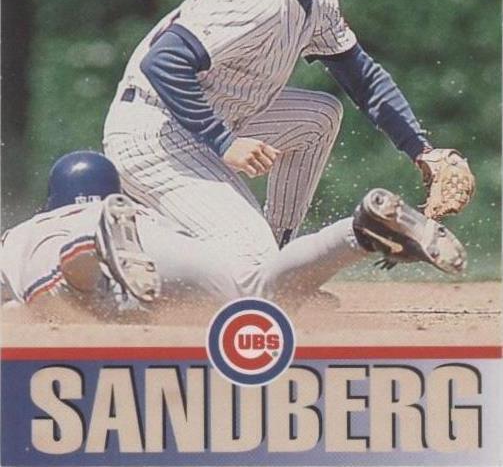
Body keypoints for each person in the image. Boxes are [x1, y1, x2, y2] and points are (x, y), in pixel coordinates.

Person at [102, 0, 473, 296]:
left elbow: (364, 79)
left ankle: (283, 261)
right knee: (249, 273)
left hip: (204, 118)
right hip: (154, 132)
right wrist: (224, 141)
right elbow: (163, 62)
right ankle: (135, 244)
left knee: (319, 116)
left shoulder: (320, 4)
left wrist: (422, 150)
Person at [1, 151, 466, 319]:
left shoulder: (29, 231)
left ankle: (88, 250)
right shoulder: (141, 214)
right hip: (148, 237)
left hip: (77, 242)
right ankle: (359, 231)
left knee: (62, 294)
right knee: (254, 296)